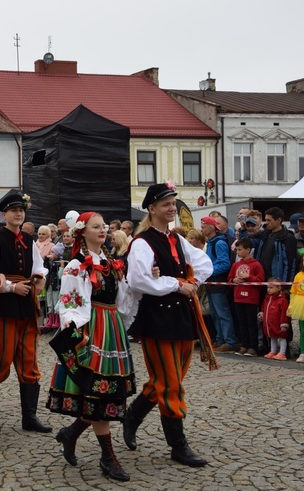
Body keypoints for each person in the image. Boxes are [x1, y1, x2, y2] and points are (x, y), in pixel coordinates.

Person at [124, 182, 214, 468]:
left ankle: (132, 416)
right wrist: (177, 284)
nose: (172, 207)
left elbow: (204, 264)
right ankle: (178, 445)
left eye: (173, 203)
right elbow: (139, 280)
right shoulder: (142, 242)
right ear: (152, 209)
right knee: (171, 384)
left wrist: (190, 283)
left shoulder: (177, 239)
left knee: (167, 380)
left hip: (182, 318)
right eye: (166, 204)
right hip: (157, 320)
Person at [49, 212, 136, 482]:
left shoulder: (109, 262)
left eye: (103, 227)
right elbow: (70, 303)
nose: (102, 231)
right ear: (82, 232)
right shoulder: (77, 265)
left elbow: (123, 299)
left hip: (111, 328)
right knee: (98, 393)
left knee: (104, 393)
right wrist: (77, 335)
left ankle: (71, 433)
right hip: (92, 328)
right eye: (95, 227)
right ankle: (107, 457)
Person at [0, 192, 52, 433]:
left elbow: (39, 267)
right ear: (4, 214)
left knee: (29, 358)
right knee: (2, 357)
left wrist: (39, 278)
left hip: (26, 304)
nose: (18, 214)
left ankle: (29, 417)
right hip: (5, 306)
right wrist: (10, 286)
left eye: (21, 210)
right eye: (13, 210)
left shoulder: (29, 239)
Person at [200, 216, 237, 352]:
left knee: (222, 313)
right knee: (215, 313)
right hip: (211, 283)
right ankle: (220, 339)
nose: (201, 230)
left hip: (218, 282)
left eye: (203, 227)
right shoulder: (211, 242)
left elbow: (224, 263)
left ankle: (229, 341)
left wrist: (208, 271)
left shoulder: (218, 243)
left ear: (210, 228)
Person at [228, 238, 265, 356]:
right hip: (238, 297)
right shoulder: (236, 265)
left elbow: (260, 281)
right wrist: (234, 280)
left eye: (240, 250)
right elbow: (229, 279)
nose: (237, 252)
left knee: (251, 324)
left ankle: (253, 347)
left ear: (248, 250)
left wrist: (249, 277)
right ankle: (244, 345)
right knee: (241, 323)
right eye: (237, 250)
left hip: (251, 298)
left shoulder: (256, 265)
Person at [253, 207, 297, 283]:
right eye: (266, 220)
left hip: (276, 280)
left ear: (279, 220)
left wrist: (285, 284)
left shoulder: (287, 238)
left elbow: (290, 264)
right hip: (262, 278)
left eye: (269, 220)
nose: (266, 223)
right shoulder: (264, 235)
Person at [260, 278, 289, 360]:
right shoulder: (267, 299)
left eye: (271, 287)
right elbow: (264, 308)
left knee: (282, 337)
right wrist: (262, 314)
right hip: (270, 322)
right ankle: (273, 351)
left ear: (279, 288)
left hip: (278, 322)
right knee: (272, 336)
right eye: (268, 287)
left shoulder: (282, 300)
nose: (268, 290)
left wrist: (284, 323)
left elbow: (284, 313)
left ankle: (282, 353)